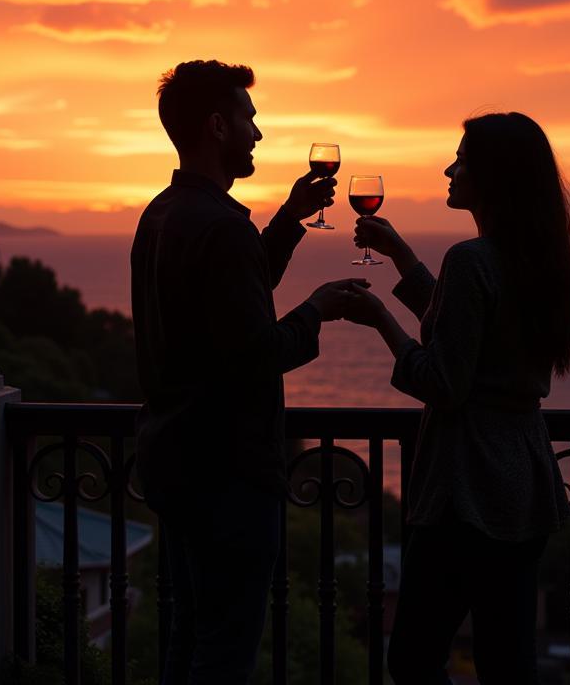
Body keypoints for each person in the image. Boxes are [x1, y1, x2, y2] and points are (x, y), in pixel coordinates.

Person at [132, 59, 366, 685]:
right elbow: (256, 351)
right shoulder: (218, 225)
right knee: (225, 652)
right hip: (228, 473)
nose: (258, 133)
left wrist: (289, 219)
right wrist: (318, 310)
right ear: (217, 126)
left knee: (190, 636)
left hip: (175, 461)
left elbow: (230, 304)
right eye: (249, 119)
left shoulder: (163, 214)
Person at [344, 112, 570, 684]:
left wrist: (381, 319)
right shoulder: (536, 256)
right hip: (523, 480)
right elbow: (466, 332)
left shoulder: (472, 259)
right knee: (507, 662)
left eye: (462, 158)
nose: (449, 169)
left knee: (412, 659)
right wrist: (403, 255)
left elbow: (445, 383)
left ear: (494, 175)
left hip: (465, 489)